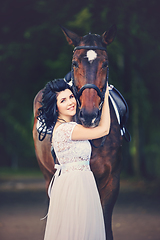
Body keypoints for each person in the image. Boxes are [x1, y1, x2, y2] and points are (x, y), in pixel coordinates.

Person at [37, 78, 110, 240]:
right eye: (63, 100)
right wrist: (106, 97)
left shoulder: (63, 128)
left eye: (71, 97)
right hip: (78, 185)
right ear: (55, 107)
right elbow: (104, 129)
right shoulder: (68, 130)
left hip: (74, 183)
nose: (70, 102)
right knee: (81, 229)